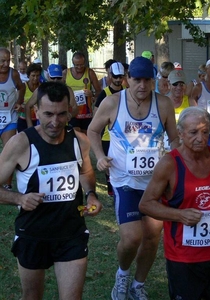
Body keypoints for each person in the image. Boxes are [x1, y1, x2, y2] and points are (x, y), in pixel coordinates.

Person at [87, 56, 179, 300]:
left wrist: (176, 160)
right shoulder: (112, 103)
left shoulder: (164, 104)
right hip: (124, 180)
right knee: (131, 239)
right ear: (127, 79)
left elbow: (175, 139)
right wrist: (100, 156)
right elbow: (93, 130)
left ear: (153, 81)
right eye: (136, 79)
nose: (142, 85)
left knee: (151, 239)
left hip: (155, 183)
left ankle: (138, 284)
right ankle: (123, 274)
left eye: (147, 80)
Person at [0, 81, 102, 299]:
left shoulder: (79, 141)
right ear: (36, 111)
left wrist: (91, 194)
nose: (55, 122)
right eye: (48, 114)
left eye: (61, 114)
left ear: (69, 112)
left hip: (71, 234)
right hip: (33, 234)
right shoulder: (21, 144)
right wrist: (19, 198)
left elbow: (85, 172)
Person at [139, 106, 210, 300]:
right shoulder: (169, 164)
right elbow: (146, 204)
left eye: (205, 132)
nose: (200, 138)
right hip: (182, 257)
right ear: (180, 133)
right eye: (193, 132)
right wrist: (179, 215)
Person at [93, 62, 126, 197]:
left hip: (124, 136)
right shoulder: (104, 94)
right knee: (109, 166)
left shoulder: (126, 92)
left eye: (120, 77)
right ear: (110, 75)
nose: (118, 80)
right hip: (107, 137)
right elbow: (95, 115)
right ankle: (111, 192)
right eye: (115, 76)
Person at [0, 47, 26, 190]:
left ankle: (7, 184)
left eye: (8, 60)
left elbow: (21, 88)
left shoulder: (14, 74)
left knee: (8, 150)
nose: (5, 64)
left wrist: (19, 102)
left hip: (9, 117)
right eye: (2, 61)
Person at [63, 51, 102, 134]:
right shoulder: (66, 73)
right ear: (72, 63)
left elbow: (99, 91)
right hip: (72, 111)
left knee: (86, 137)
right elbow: (60, 91)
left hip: (86, 112)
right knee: (75, 134)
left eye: (81, 64)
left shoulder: (90, 73)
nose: (79, 67)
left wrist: (92, 95)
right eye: (76, 65)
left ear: (85, 62)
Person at [18, 63, 42, 132]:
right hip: (23, 120)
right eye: (33, 75)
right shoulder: (23, 86)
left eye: (37, 75)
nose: (35, 78)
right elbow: (18, 102)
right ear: (28, 75)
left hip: (38, 120)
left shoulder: (42, 87)